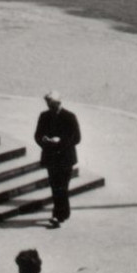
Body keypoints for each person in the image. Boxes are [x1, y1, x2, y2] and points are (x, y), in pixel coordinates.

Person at [35, 91, 82, 228]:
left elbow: (77, 138)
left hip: (65, 158)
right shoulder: (44, 116)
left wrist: (60, 141)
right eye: (48, 104)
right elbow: (37, 135)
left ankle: (57, 215)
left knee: (61, 186)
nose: (50, 107)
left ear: (58, 103)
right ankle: (63, 212)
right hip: (51, 157)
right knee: (56, 186)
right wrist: (44, 140)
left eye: (52, 104)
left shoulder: (69, 117)